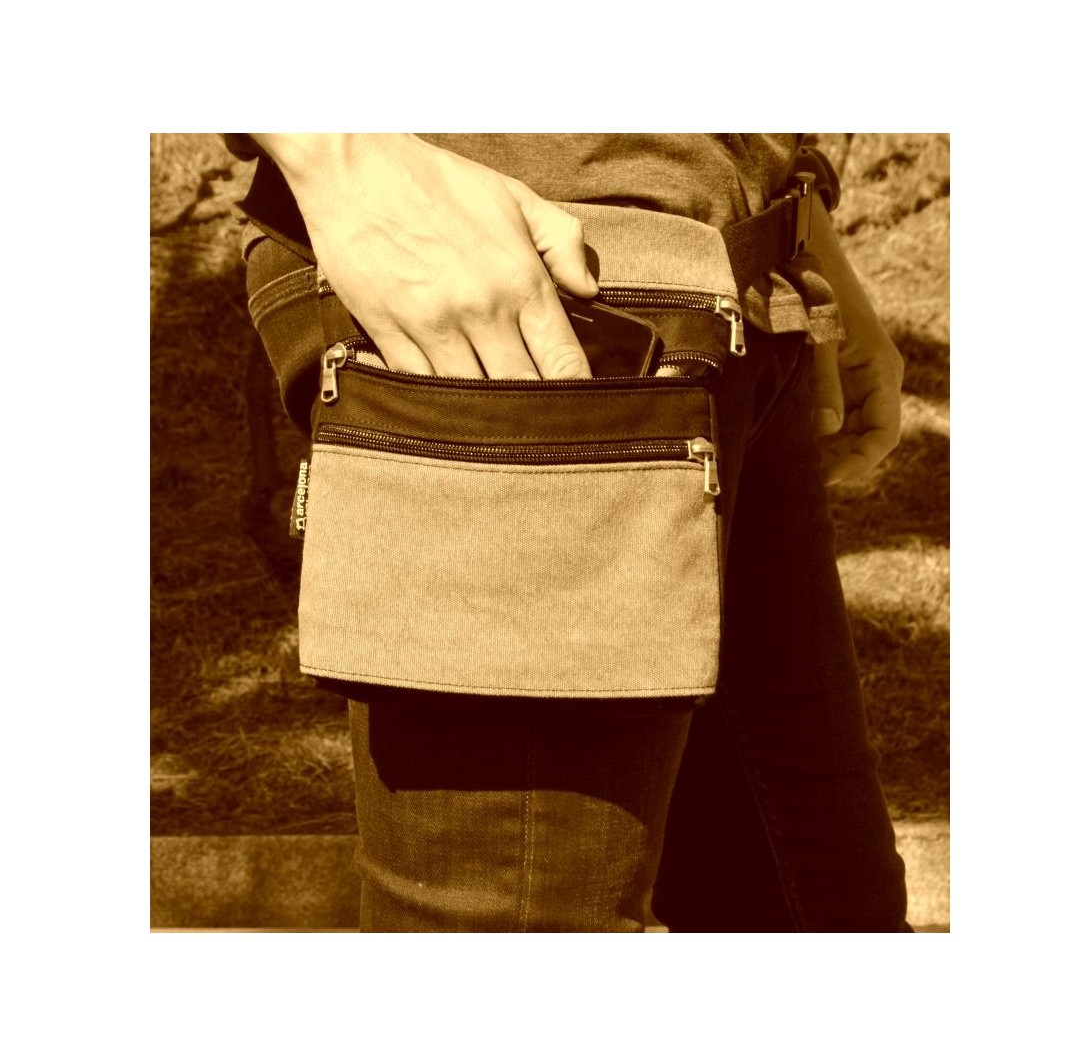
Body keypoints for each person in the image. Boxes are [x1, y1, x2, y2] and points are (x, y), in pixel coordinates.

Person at [228, 133, 910, 932]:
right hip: (512, 290)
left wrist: (794, 214)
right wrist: (339, 156)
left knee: (824, 912)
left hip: (730, 274)